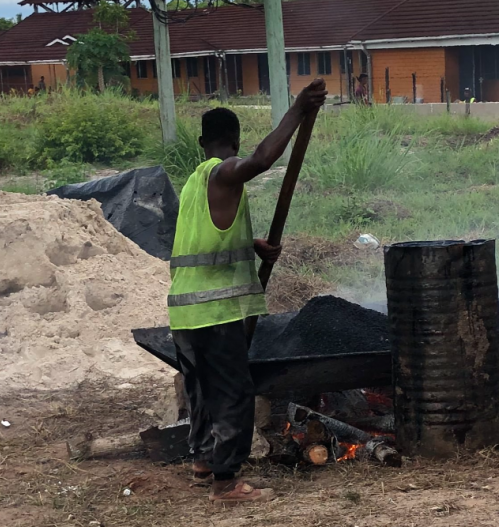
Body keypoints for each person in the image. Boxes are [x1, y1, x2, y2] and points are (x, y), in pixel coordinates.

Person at [168, 78, 327, 505]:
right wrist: (296, 110)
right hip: (214, 314)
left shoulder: (193, 184)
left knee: (200, 392)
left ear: (202, 141)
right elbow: (260, 160)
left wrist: (248, 244)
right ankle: (227, 485)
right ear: (233, 141)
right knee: (234, 392)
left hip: (184, 314)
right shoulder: (223, 172)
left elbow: (205, 241)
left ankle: (204, 462)